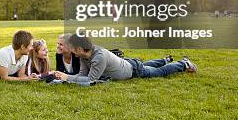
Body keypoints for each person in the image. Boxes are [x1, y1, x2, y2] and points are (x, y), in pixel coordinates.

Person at [54, 35, 198, 84]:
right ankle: (165, 59)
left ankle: (184, 63)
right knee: (147, 65)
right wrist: (67, 77)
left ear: (79, 49)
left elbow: (91, 79)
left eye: (72, 47)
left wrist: (68, 78)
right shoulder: (83, 56)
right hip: (127, 63)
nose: (70, 49)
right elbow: (82, 75)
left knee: (158, 72)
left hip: (132, 70)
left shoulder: (99, 57)